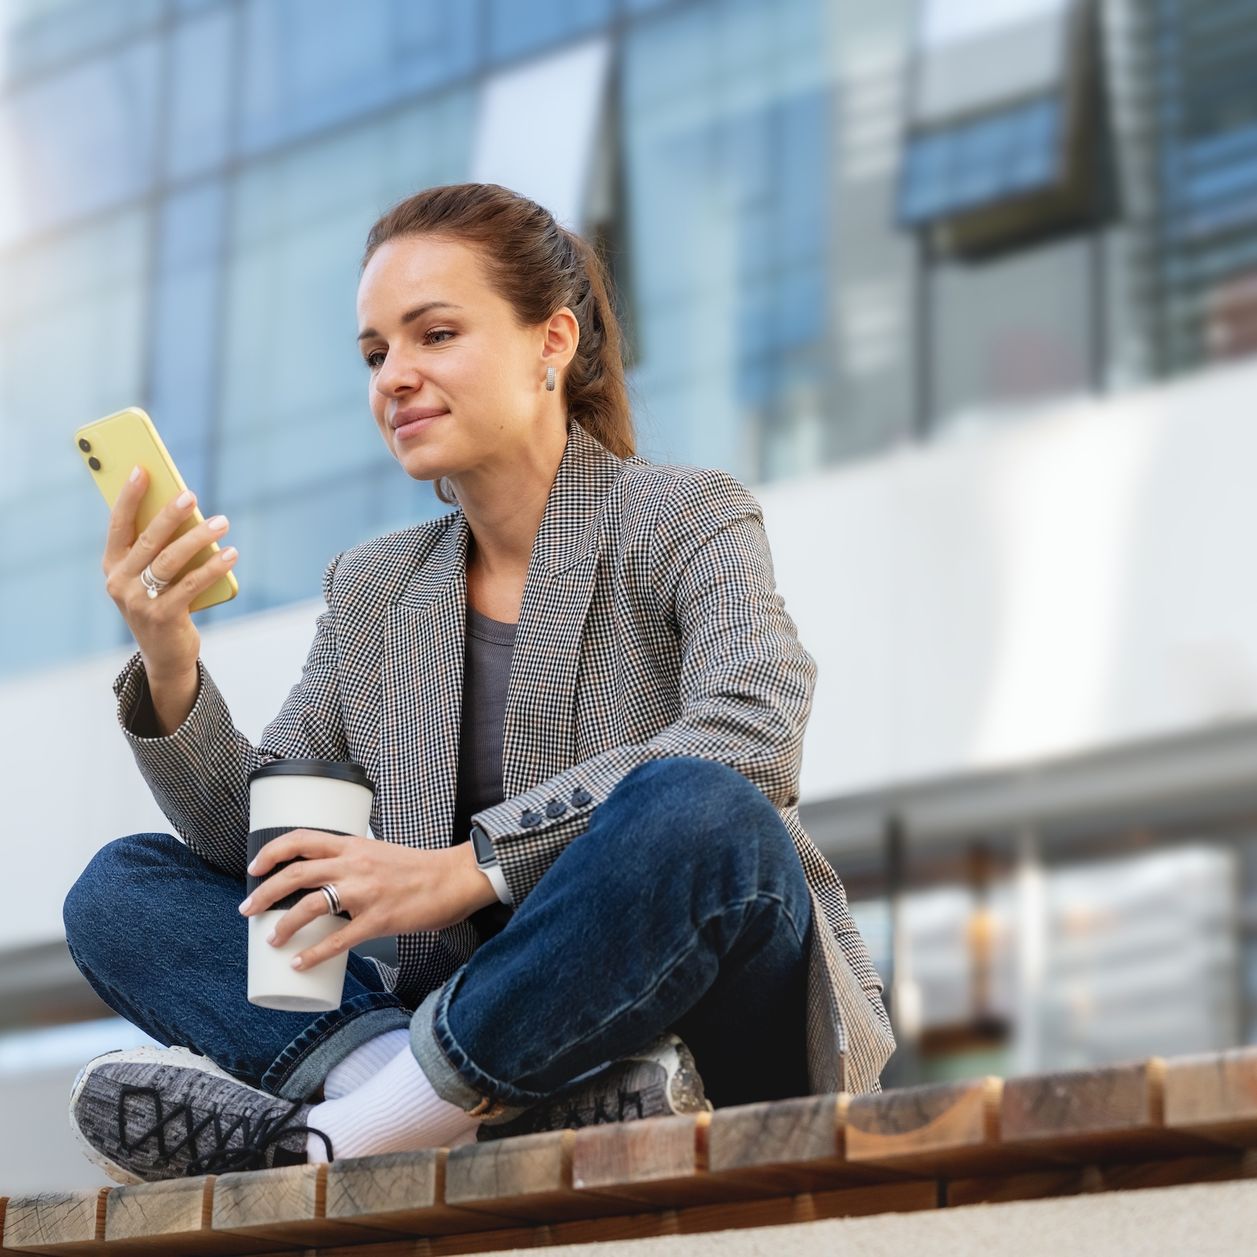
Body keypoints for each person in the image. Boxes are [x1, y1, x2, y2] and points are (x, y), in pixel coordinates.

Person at [62, 182, 895, 1185]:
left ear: (552, 343)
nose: (395, 378)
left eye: (435, 335)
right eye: (375, 354)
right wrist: (169, 655)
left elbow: (754, 733)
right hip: (488, 1043)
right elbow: (270, 844)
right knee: (121, 890)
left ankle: (345, 1137)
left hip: (716, 1024)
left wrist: (467, 869)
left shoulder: (688, 518)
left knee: (698, 811)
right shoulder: (375, 590)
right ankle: (442, 1103)